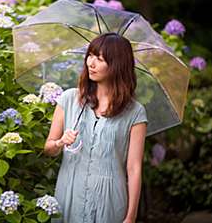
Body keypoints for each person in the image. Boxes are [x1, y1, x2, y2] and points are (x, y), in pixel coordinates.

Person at [44, 33, 148, 223]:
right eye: (90, 55)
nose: (91, 63)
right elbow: (48, 149)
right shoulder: (69, 99)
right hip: (70, 192)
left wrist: (130, 217)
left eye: (99, 59)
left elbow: (134, 168)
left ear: (117, 65)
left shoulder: (135, 112)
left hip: (109, 199)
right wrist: (60, 142)